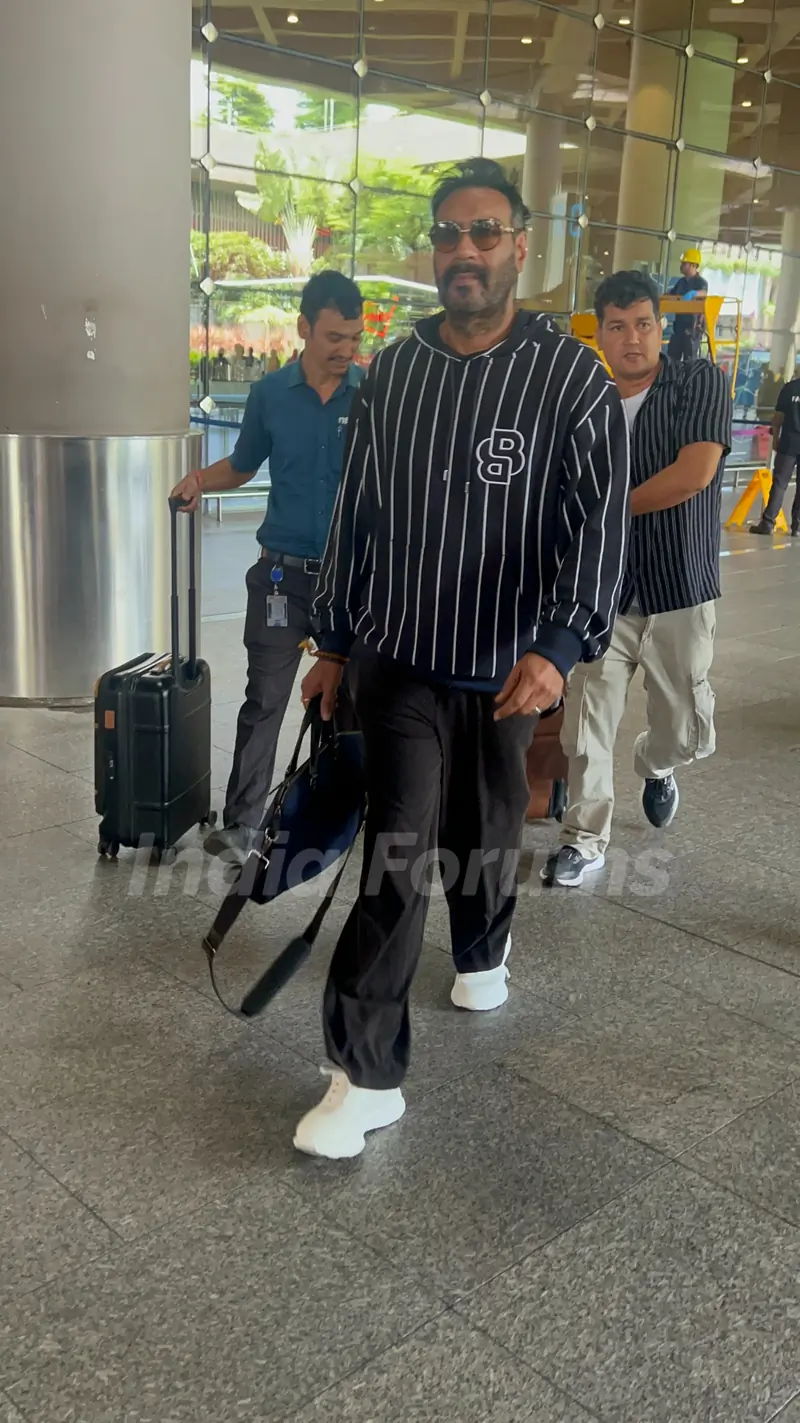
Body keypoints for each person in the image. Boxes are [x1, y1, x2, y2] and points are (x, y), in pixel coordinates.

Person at [295, 157, 631, 1160]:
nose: (464, 251)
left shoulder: (568, 376)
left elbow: (597, 525)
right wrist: (331, 640)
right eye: (447, 235)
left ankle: (482, 947)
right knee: (394, 857)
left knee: (481, 831)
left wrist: (560, 645)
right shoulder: (392, 372)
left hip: (504, 669)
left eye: (484, 233)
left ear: (520, 247)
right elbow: (355, 512)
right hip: (396, 661)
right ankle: (363, 1074)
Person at [544, 271, 733, 889]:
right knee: (588, 716)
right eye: (618, 327)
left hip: (680, 581)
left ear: (660, 327)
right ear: (600, 334)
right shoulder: (583, 398)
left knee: (686, 729)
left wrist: (605, 510)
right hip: (602, 587)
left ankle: (656, 765)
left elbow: (694, 472)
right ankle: (583, 838)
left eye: (644, 325)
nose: (633, 339)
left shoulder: (699, 381)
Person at [171, 271, 364, 862]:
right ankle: (242, 825)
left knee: (351, 705)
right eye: (334, 336)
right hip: (281, 576)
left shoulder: (373, 395)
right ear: (304, 328)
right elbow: (245, 463)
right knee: (265, 700)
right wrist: (200, 479)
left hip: (353, 581)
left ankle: (350, 821)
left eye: (354, 338)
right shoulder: (270, 395)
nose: (345, 349)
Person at [750, 370, 800, 536]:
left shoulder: (790, 388)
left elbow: (778, 416)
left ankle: (768, 523)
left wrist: (776, 436)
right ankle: (797, 527)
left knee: (779, 483)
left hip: (788, 444)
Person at [667, 247, 708, 363]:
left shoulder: (701, 282)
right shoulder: (681, 282)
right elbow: (671, 295)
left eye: (684, 263)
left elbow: (704, 293)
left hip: (692, 328)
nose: (682, 266)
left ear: (693, 265)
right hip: (679, 327)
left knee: (689, 361)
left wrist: (694, 293)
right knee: (672, 359)